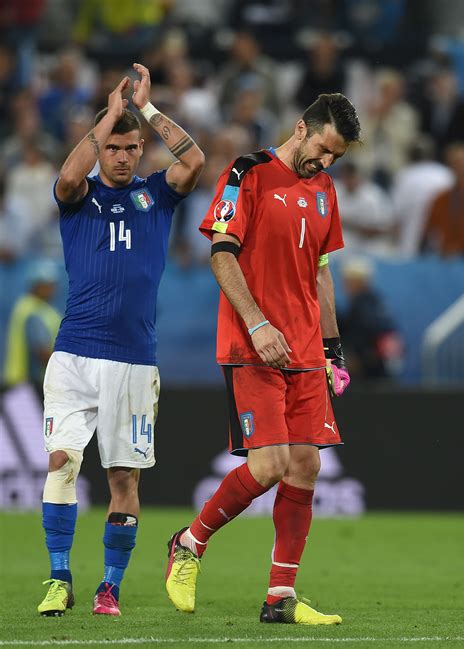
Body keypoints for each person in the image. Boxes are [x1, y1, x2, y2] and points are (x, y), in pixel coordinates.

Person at [165, 93, 360, 625]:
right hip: (253, 344)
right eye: (323, 149)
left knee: (307, 466)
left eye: (336, 157)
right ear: (301, 128)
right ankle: (188, 543)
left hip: (303, 348)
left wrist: (332, 345)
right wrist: (256, 323)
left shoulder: (324, 189)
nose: (326, 163)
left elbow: (320, 272)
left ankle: (280, 598)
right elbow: (221, 255)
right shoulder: (246, 172)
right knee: (270, 465)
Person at [37, 64, 204, 618]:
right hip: (74, 352)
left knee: (122, 476)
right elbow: (64, 177)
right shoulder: (78, 198)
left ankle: (109, 587)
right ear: (101, 146)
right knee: (61, 460)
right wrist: (107, 113)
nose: (124, 156)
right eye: (114, 145)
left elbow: (195, 161)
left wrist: (149, 110)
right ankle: (59, 578)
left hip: (133, 359)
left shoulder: (157, 195)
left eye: (131, 147)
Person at [3, 260, 61, 386]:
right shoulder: (31, 310)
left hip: (28, 383)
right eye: (48, 285)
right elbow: (41, 351)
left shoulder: (43, 308)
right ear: (37, 286)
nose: (52, 289)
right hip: (23, 385)